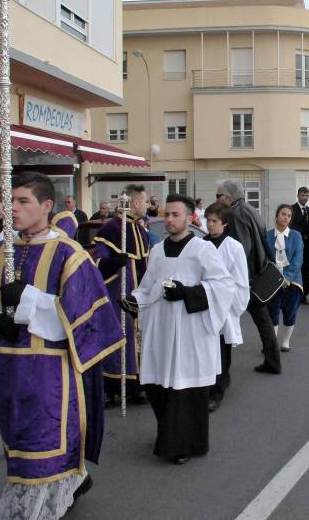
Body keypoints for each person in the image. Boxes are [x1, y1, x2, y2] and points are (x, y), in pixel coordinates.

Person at [0, 171, 124, 519]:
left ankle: (36, 508)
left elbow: (84, 318)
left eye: (22, 201)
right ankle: (71, 482)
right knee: (17, 436)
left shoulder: (70, 254)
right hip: (9, 366)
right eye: (10, 201)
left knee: (44, 438)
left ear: (46, 205)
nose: (12, 209)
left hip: (51, 369)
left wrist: (30, 300)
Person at [123, 194, 232, 465]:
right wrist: (134, 299)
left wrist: (189, 292)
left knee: (185, 389)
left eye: (175, 215)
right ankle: (171, 433)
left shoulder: (202, 249)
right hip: (160, 330)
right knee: (159, 385)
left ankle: (184, 443)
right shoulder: (157, 250)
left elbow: (223, 286)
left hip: (189, 331)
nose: (169, 220)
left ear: (189, 218)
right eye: (167, 215)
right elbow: (148, 286)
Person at [92, 184, 151, 409]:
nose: (147, 206)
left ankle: (136, 386)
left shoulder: (141, 231)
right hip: (117, 296)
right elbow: (96, 264)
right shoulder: (112, 229)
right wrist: (111, 263)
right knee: (116, 340)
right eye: (145, 202)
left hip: (139, 298)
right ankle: (110, 389)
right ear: (135, 203)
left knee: (138, 340)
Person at [216, 179, 281, 374]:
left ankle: (221, 376)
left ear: (228, 197)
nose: (217, 200)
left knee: (227, 322)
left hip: (249, 277)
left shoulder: (235, 214)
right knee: (264, 320)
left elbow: (241, 250)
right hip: (258, 272)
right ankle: (273, 361)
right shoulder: (250, 209)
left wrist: (238, 280)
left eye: (218, 196)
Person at [204, 202, 249, 412]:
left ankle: (217, 392)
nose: (210, 225)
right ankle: (214, 382)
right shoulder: (201, 244)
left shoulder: (234, 247)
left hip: (224, 307)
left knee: (222, 350)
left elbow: (239, 280)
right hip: (203, 305)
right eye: (208, 221)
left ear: (225, 223)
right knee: (207, 350)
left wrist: (227, 302)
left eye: (214, 221)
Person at [266, 204, 304, 352]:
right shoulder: (268, 235)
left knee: (290, 311)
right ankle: (272, 343)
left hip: (293, 280)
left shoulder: (296, 236)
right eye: (283, 214)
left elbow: (298, 260)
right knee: (273, 312)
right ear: (277, 215)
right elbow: (265, 259)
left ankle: (286, 341)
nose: (286, 217)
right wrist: (274, 278)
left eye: (289, 216)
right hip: (273, 280)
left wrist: (286, 278)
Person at [290, 187, 309, 304]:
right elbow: (292, 228)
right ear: (298, 196)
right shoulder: (292, 209)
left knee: (305, 271)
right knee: (295, 270)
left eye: (307, 195)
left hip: (306, 247)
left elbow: (308, 228)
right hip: (296, 247)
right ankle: (294, 294)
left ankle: (304, 295)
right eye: (303, 195)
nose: (305, 198)